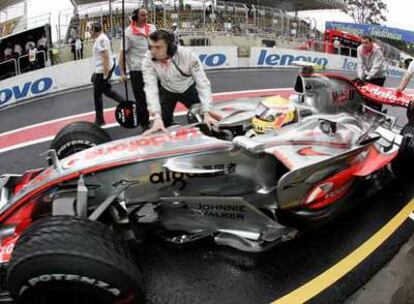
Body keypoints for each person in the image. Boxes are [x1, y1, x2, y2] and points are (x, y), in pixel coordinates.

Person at [142, 29, 219, 134]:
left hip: (188, 89)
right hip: (166, 90)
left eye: (158, 47)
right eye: (151, 47)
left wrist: (207, 111)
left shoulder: (188, 56)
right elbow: (150, 87)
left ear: (171, 47)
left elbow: (202, 83)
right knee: (162, 124)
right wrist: (156, 116)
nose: (153, 51)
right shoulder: (148, 58)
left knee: (205, 121)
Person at [118, 8, 156, 130]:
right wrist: (122, 73)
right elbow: (122, 54)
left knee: (160, 93)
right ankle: (145, 124)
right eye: (142, 15)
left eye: (146, 14)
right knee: (141, 100)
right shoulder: (128, 33)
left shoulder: (152, 28)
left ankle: (165, 119)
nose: (146, 16)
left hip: (152, 67)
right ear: (135, 17)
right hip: (137, 70)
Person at [90, 22, 124, 125]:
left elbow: (105, 56)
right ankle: (125, 103)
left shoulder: (101, 39)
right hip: (103, 69)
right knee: (107, 91)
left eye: (91, 30)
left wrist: (105, 74)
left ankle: (100, 120)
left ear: (96, 29)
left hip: (102, 71)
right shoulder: (102, 38)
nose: (90, 32)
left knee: (97, 96)